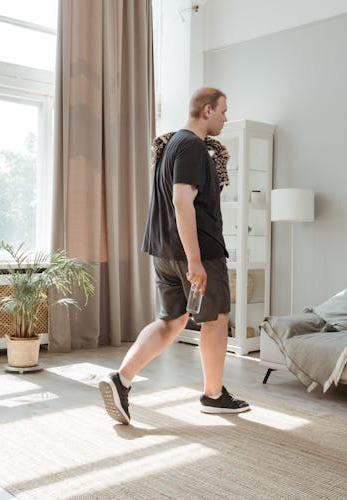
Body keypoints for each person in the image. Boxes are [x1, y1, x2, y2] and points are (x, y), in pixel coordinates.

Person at [98, 87, 250, 424]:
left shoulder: (175, 146)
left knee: (172, 320)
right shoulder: (193, 147)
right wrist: (195, 260)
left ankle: (120, 379)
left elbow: (197, 196)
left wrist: (218, 162)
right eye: (224, 111)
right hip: (196, 252)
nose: (226, 117)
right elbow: (182, 202)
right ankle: (214, 394)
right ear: (207, 110)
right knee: (216, 318)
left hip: (164, 249)